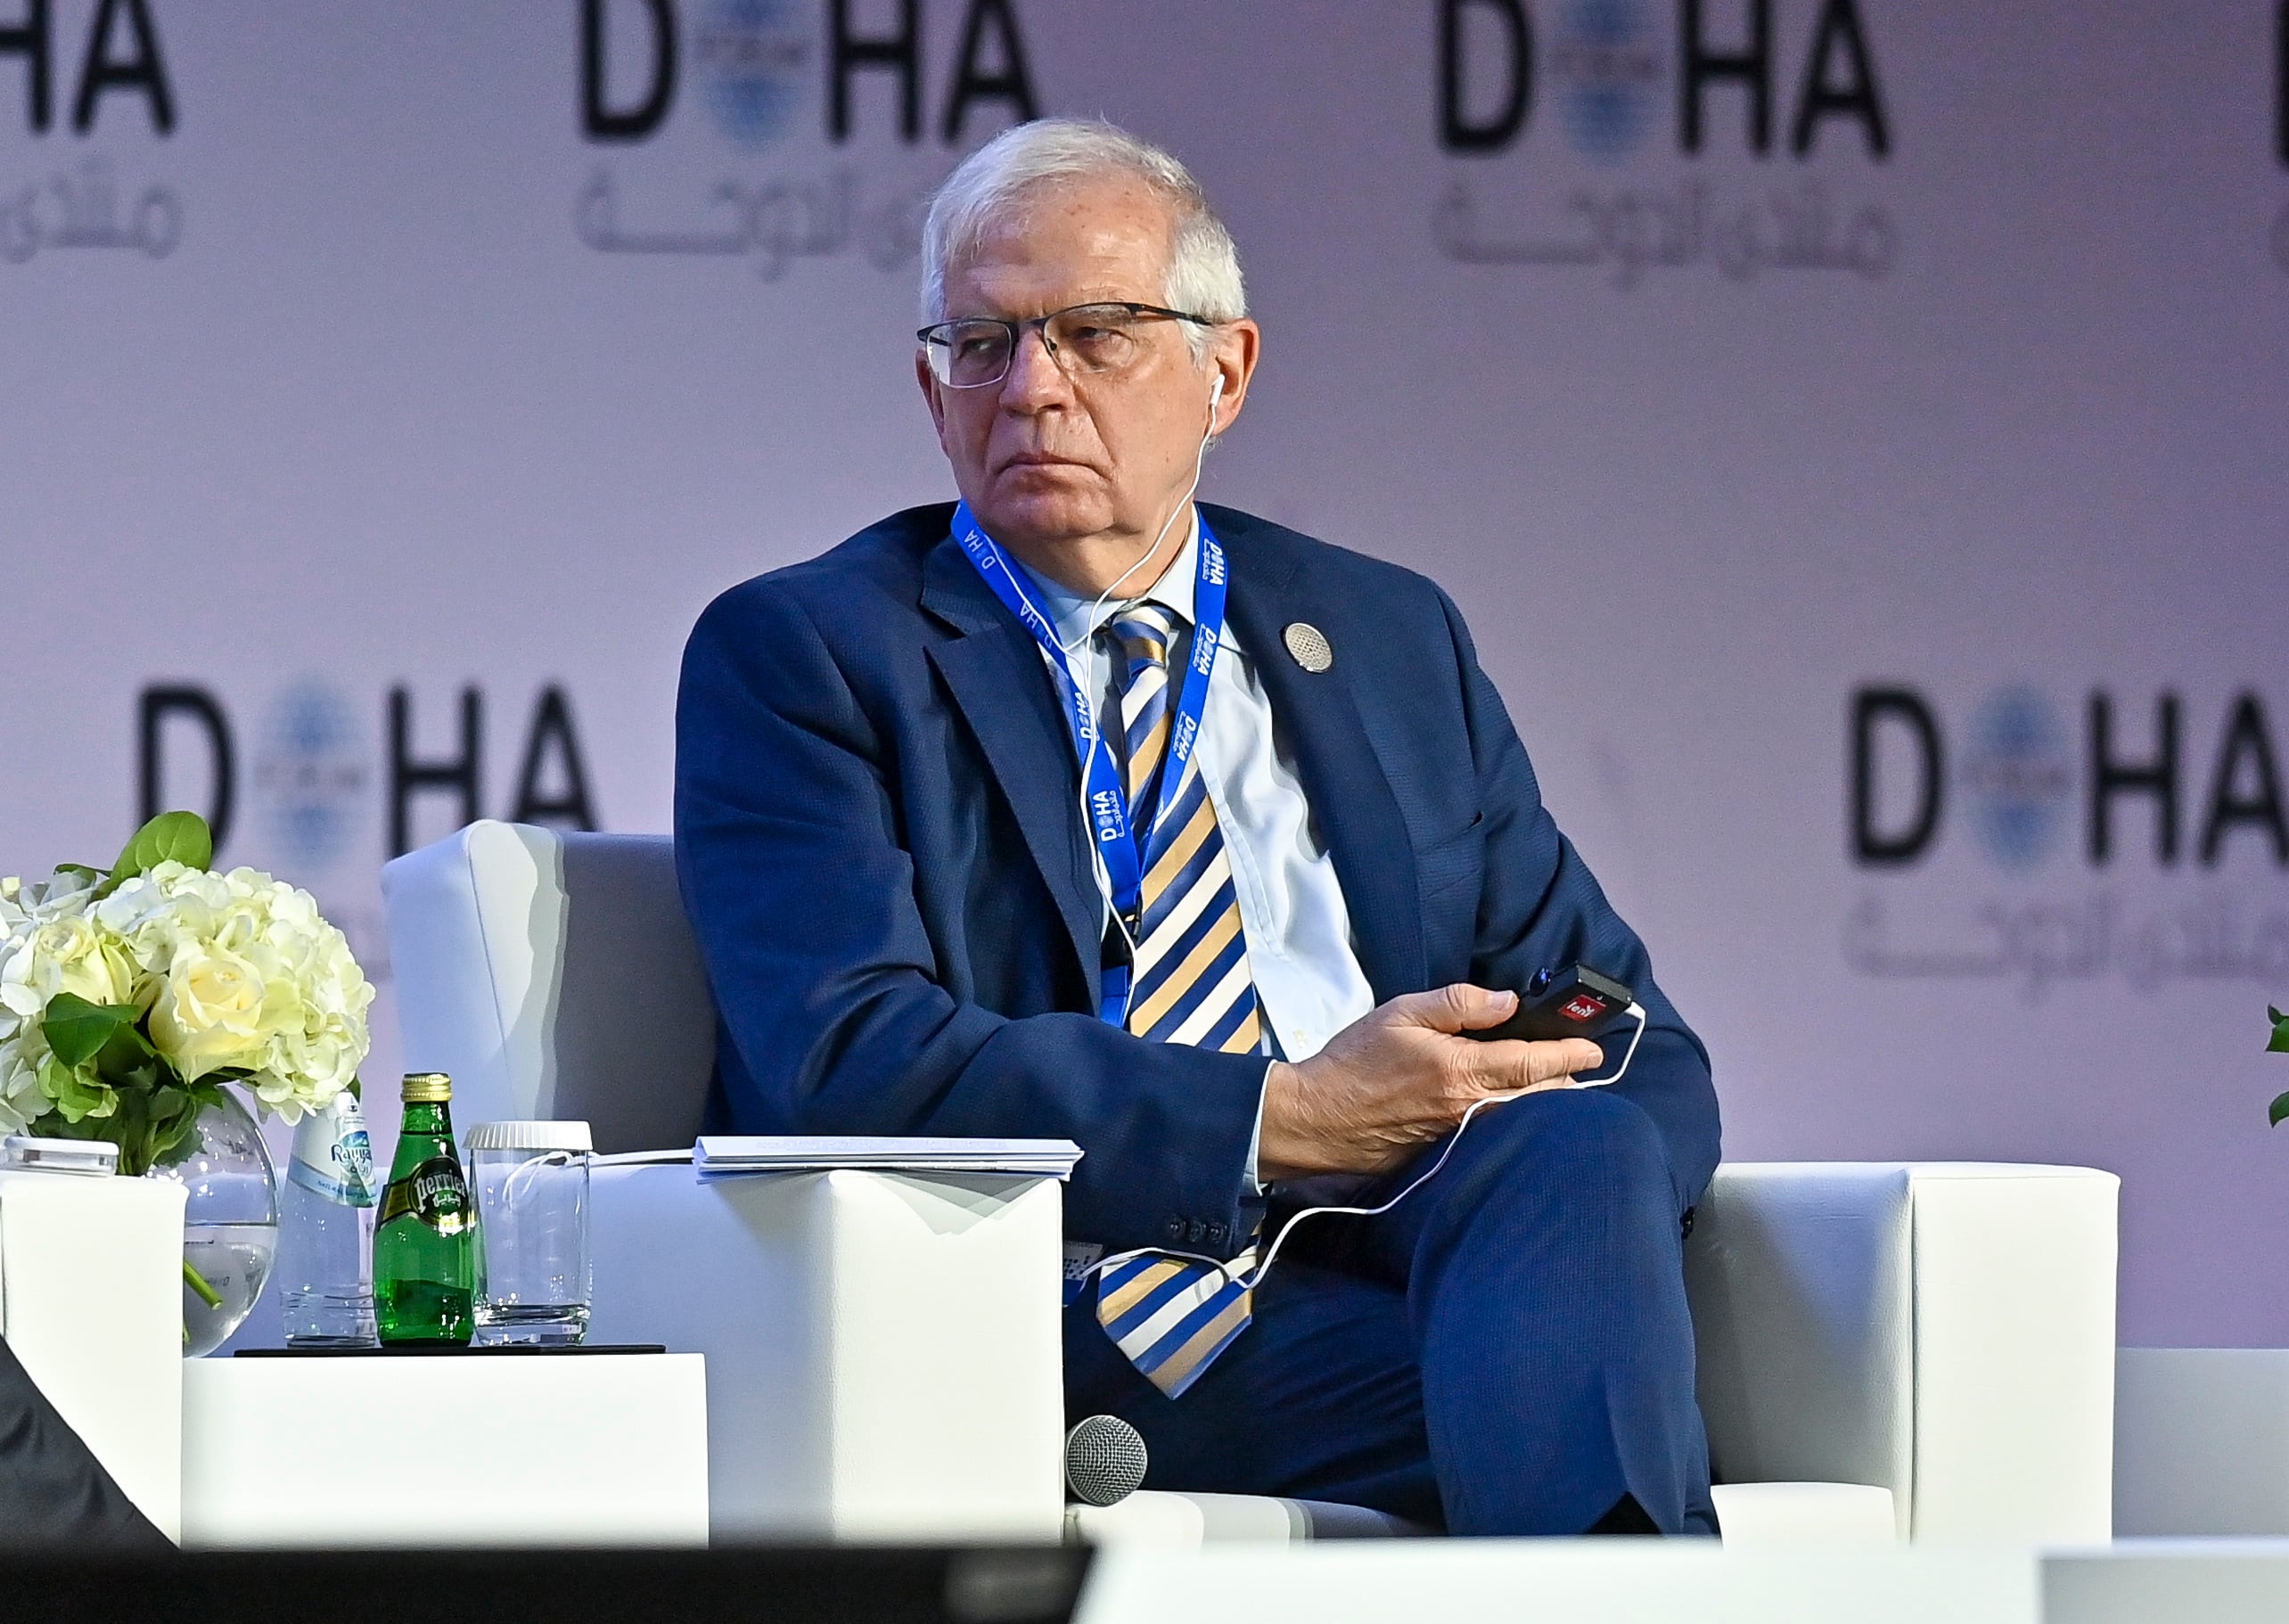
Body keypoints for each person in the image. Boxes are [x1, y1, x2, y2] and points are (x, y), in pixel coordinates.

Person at [675, 119, 1720, 1537]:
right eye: (980, 346)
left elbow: (1640, 1045)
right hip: (1074, 1310)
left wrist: (1543, 1238)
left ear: (1222, 372)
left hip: (1387, 1274)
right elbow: (845, 1057)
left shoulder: (1390, 634)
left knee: (1577, 1148)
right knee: (1567, 1405)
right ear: (932, 393)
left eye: (1095, 332)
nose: (1031, 389)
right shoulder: (809, 650)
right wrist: (1281, 1123)